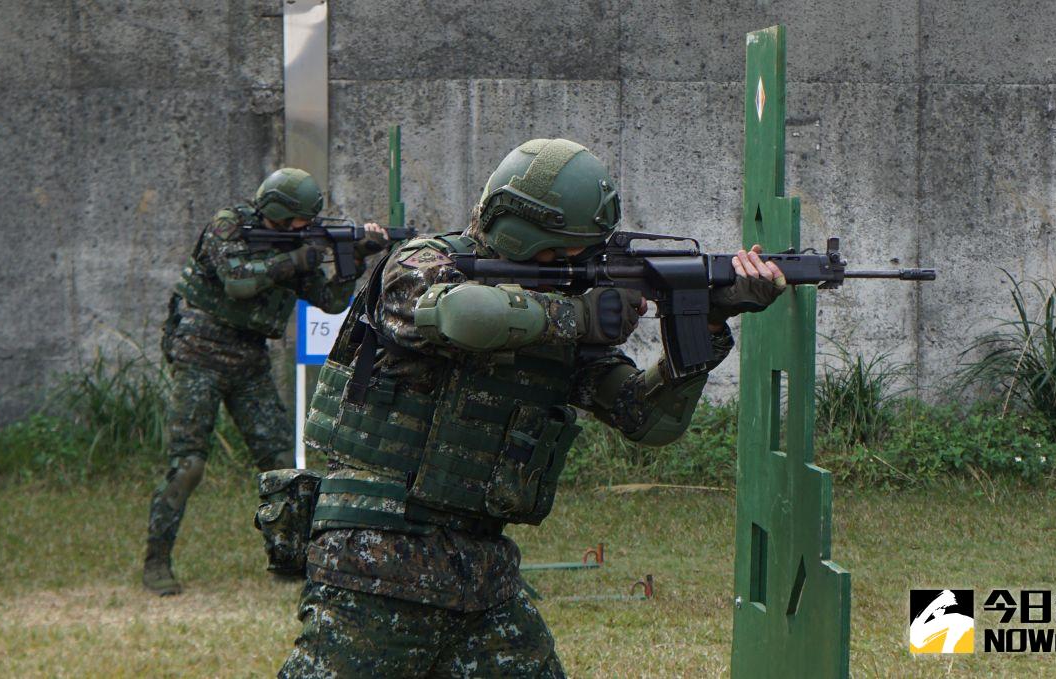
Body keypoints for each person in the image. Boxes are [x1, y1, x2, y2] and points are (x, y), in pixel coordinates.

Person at [277, 139, 785, 676]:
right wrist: (580, 317)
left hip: (481, 572)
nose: (575, 263)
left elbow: (647, 418)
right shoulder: (422, 264)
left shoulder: (564, 311)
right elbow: (460, 316)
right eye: (563, 251)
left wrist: (706, 322)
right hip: (376, 558)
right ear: (520, 229)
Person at [143, 168, 387, 596]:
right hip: (198, 355)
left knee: (281, 465)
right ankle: (156, 562)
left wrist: (355, 256)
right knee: (189, 465)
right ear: (277, 210)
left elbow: (330, 301)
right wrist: (296, 259)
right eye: (298, 219)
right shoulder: (228, 226)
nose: (304, 227)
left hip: (249, 361)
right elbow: (238, 282)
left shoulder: (297, 243)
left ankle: (291, 560)